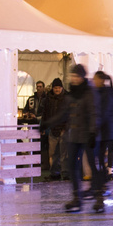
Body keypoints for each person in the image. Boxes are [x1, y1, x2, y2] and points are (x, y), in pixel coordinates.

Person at [61, 65, 102, 212]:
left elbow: (94, 113)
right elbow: (65, 113)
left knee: (92, 165)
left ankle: (99, 198)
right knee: (72, 166)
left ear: (82, 77)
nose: (73, 79)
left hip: (88, 135)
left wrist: (92, 133)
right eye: (72, 76)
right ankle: (76, 198)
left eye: (76, 76)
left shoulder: (90, 92)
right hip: (74, 135)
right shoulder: (71, 93)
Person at [42, 79, 65, 179]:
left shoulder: (66, 98)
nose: (57, 90)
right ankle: (54, 173)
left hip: (64, 130)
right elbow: (45, 113)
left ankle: (65, 174)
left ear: (62, 88)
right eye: (55, 88)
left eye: (59, 88)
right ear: (52, 88)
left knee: (64, 154)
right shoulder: (48, 99)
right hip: (52, 130)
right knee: (52, 154)